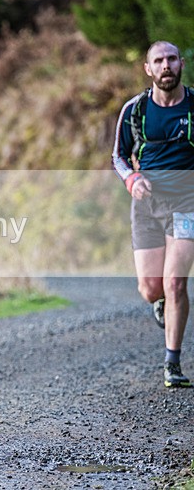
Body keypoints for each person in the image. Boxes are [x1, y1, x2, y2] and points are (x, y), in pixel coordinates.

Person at [112, 40, 194, 388]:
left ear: (181, 64)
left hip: (187, 204)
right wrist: (131, 179)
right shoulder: (135, 110)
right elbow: (118, 156)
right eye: (158, 60)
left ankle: (172, 363)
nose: (166, 66)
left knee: (175, 283)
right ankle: (159, 303)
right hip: (146, 206)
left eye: (171, 59)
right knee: (151, 288)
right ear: (148, 69)